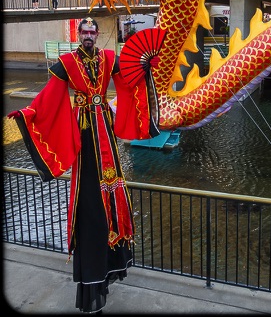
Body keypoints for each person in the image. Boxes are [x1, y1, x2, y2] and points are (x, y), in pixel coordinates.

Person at [8, 17, 160, 314]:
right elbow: (49, 96)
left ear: (97, 34)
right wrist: (28, 113)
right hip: (85, 137)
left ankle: (112, 262)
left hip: (106, 132)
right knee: (90, 203)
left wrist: (146, 70)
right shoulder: (67, 63)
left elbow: (129, 80)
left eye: (93, 31)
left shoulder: (108, 58)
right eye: (85, 32)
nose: (89, 35)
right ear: (78, 34)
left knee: (114, 193)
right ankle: (93, 274)